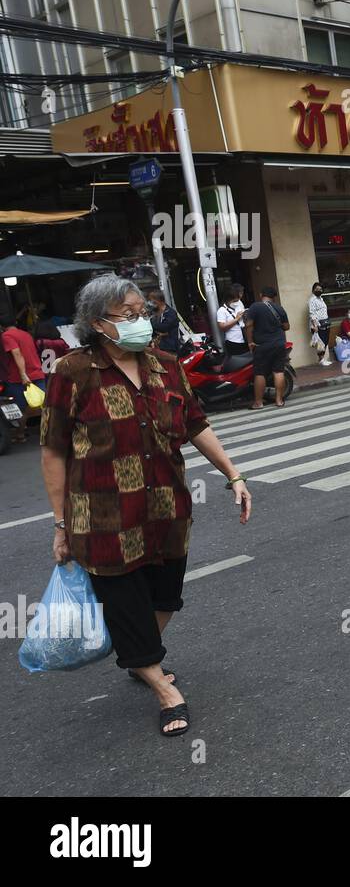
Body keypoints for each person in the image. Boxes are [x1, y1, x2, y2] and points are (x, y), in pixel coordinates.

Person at [40, 274, 252, 737]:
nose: (142, 321)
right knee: (124, 600)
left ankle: (140, 657)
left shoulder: (165, 365)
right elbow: (54, 450)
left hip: (166, 509)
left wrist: (233, 475)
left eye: (144, 313)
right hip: (102, 519)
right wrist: (60, 524)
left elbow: (196, 424)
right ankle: (161, 687)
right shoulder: (73, 371)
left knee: (164, 596)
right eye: (129, 315)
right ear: (98, 323)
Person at [2, 312, 46, 441]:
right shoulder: (26, 334)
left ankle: (20, 434)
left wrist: (23, 375)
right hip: (37, 373)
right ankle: (49, 432)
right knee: (42, 405)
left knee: (20, 408)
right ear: (15, 323)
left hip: (19, 379)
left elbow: (16, 354)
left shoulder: (6, 336)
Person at [244, 286, 290, 409]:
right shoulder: (279, 308)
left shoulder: (255, 307)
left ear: (261, 295)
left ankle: (258, 403)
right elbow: (286, 327)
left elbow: (248, 325)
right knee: (279, 371)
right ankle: (279, 400)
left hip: (262, 345)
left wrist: (250, 342)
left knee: (260, 372)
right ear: (274, 297)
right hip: (279, 343)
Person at [216, 284, 247, 355]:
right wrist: (236, 319)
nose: (238, 301)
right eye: (236, 299)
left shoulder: (239, 305)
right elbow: (222, 327)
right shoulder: (222, 310)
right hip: (233, 342)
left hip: (244, 339)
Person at [147, 290, 181, 355]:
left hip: (169, 348)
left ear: (159, 300)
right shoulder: (154, 312)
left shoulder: (170, 313)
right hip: (158, 347)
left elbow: (163, 327)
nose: (151, 303)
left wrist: (150, 323)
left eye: (152, 300)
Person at [308, 282, 331, 367]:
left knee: (325, 341)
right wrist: (315, 325)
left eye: (320, 289)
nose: (319, 290)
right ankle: (321, 359)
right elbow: (312, 313)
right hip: (318, 324)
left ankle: (322, 359)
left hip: (325, 323)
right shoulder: (312, 300)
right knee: (320, 343)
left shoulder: (321, 299)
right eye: (317, 289)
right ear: (313, 290)